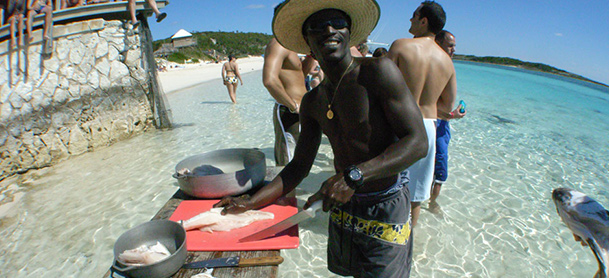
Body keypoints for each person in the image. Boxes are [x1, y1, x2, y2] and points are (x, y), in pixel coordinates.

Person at [215, 0, 428, 276]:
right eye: (317, 26)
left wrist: (354, 176)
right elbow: (299, 166)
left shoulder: (377, 72)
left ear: (350, 32)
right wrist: (251, 202)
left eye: (338, 22)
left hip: (384, 204)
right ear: (307, 42)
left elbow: (418, 142)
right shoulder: (313, 100)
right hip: (343, 204)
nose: (329, 29)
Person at [388, 0, 457, 228]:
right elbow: (447, 107)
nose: (410, 19)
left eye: (414, 15)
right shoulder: (446, 61)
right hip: (427, 128)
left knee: (385, 186)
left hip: (397, 121)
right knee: (415, 195)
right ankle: (407, 245)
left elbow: (380, 85)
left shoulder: (401, 46)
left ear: (423, 20)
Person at [428, 29, 465, 213]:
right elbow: (426, 104)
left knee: (440, 169)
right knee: (435, 165)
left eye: (454, 46)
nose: (453, 50)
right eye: (450, 45)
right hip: (433, 123)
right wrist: (452, 115)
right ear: (438, 44)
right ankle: (426, 203)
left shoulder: (445, 67)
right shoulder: (432, 67)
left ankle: (432, 202)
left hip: (441, 125)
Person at [262, 38, 307, 166]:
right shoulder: (278, 44)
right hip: (289, 111)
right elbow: (269, 80)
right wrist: (292, 106)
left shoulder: (290, 46)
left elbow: (299, 76)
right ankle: (285, 187)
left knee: (299, 160)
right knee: (286, 162)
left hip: (299, 111)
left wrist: (310, 57)